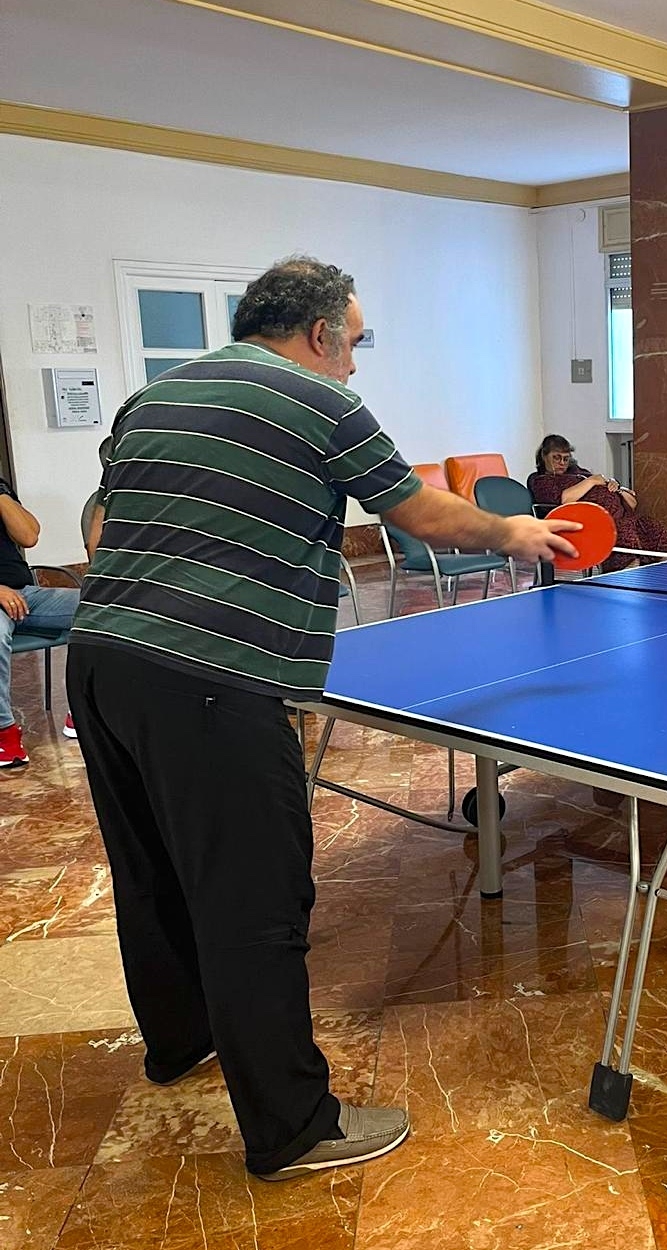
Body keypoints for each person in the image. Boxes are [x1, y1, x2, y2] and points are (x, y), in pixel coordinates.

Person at [66, 257, 578, 1182]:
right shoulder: (321, 401)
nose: (356, 361)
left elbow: (101, 522)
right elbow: (421, 512)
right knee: (254, 902)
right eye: (356, 340)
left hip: (102, 664)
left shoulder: (160, 392)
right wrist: (516, 531)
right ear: (318, 335)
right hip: (213, 681)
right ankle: (294, 1126)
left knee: (153, 873)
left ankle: (180, 1041)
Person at [0, 477, 79, 767]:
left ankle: (84, 711)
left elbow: (29, 536)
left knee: (99, 611)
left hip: (26, 595)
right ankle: (4, 735)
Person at [528, 435, 667, 571]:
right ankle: (627, 581)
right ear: (544, 456)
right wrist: (592, 481)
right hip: (590, 524)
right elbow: (565, 500)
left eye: (566, 459)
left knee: (653, 527)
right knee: (627, 535)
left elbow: (632, 502)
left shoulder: (577, 472)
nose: (562, 463)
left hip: (620, 517)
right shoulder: (541, 480)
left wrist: (614, 485)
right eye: (556, 458)